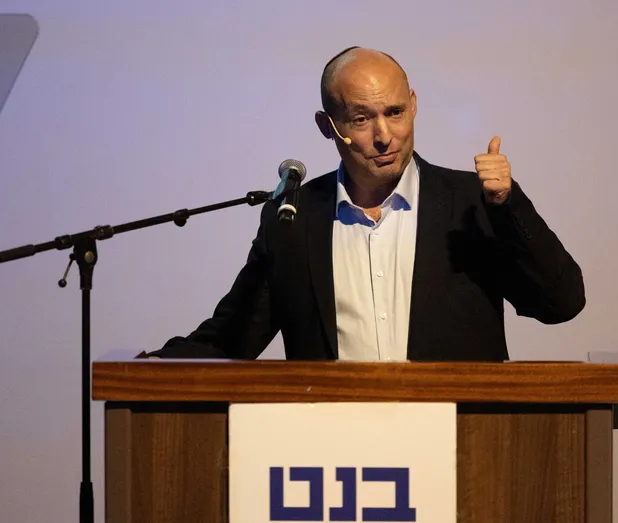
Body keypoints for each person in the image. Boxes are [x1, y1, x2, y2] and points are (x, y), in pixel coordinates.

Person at [144, 46, 584, 362]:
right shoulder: (294, 218)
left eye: (394, 112)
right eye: (361, 119)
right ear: (327, 126)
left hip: (457, 444)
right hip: (336, 451)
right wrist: (141, 369)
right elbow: (231, 339)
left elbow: (561, 303)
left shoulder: (473, 202)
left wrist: (508, 205)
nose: (384, 136)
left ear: (413, 105)